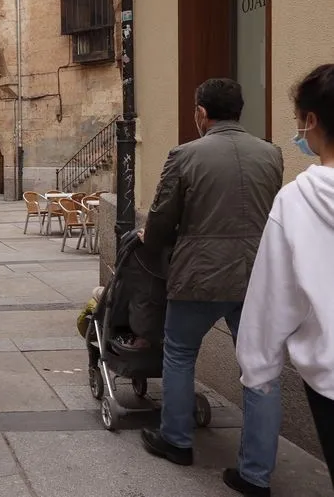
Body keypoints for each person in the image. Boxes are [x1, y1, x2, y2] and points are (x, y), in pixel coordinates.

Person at [137, 79, 283, 496]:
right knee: (260, 369)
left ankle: (177, 440)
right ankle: (256, 474)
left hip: (198, 274)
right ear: (240, 110)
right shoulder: (271, 154)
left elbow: (162, 219)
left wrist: (152, 244)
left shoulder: (185, 155)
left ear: (201, 113)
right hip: (256, 275)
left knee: (180, 353)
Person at [237, 64, 334, 492]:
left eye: (298, 120)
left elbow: (273, 298)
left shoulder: (298, 200)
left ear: (311, 120)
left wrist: (257, 367)